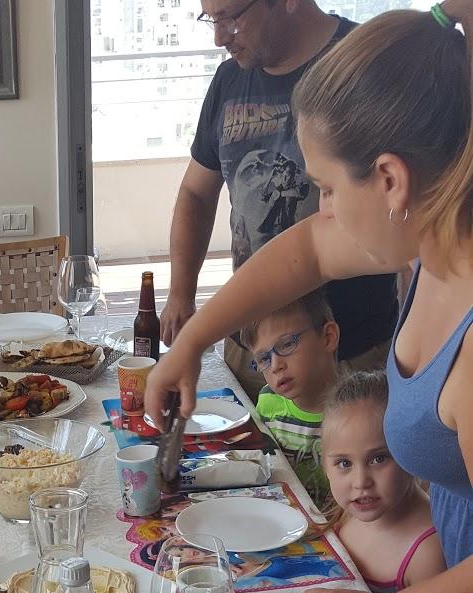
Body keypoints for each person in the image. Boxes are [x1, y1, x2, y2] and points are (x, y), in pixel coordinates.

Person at [145, 5, 473, 593]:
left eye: (327, 187)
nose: (323, 209)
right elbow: (307, 252)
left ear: (389, 179)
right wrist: (193, 340)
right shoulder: (433, 240)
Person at [158, 0, 398, 395]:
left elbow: (324, 247)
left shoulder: (361, 66)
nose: (219, 38)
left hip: (347, 357)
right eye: (211, 20)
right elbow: (195, 192)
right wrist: (182, 295)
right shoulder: (229, 80)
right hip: (250, 350)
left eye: (230, 18)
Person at [320, 368, 447, 593]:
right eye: (344, 463)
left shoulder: (426, 550)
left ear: (410, 451)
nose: (361, 481)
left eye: (379, 458)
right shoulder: (347, 514)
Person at [243, 289, 339, 502]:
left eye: (287, 344)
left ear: (328, 337)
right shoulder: (268, 403)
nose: (276, 366)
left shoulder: (356, 411)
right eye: (264, 359)